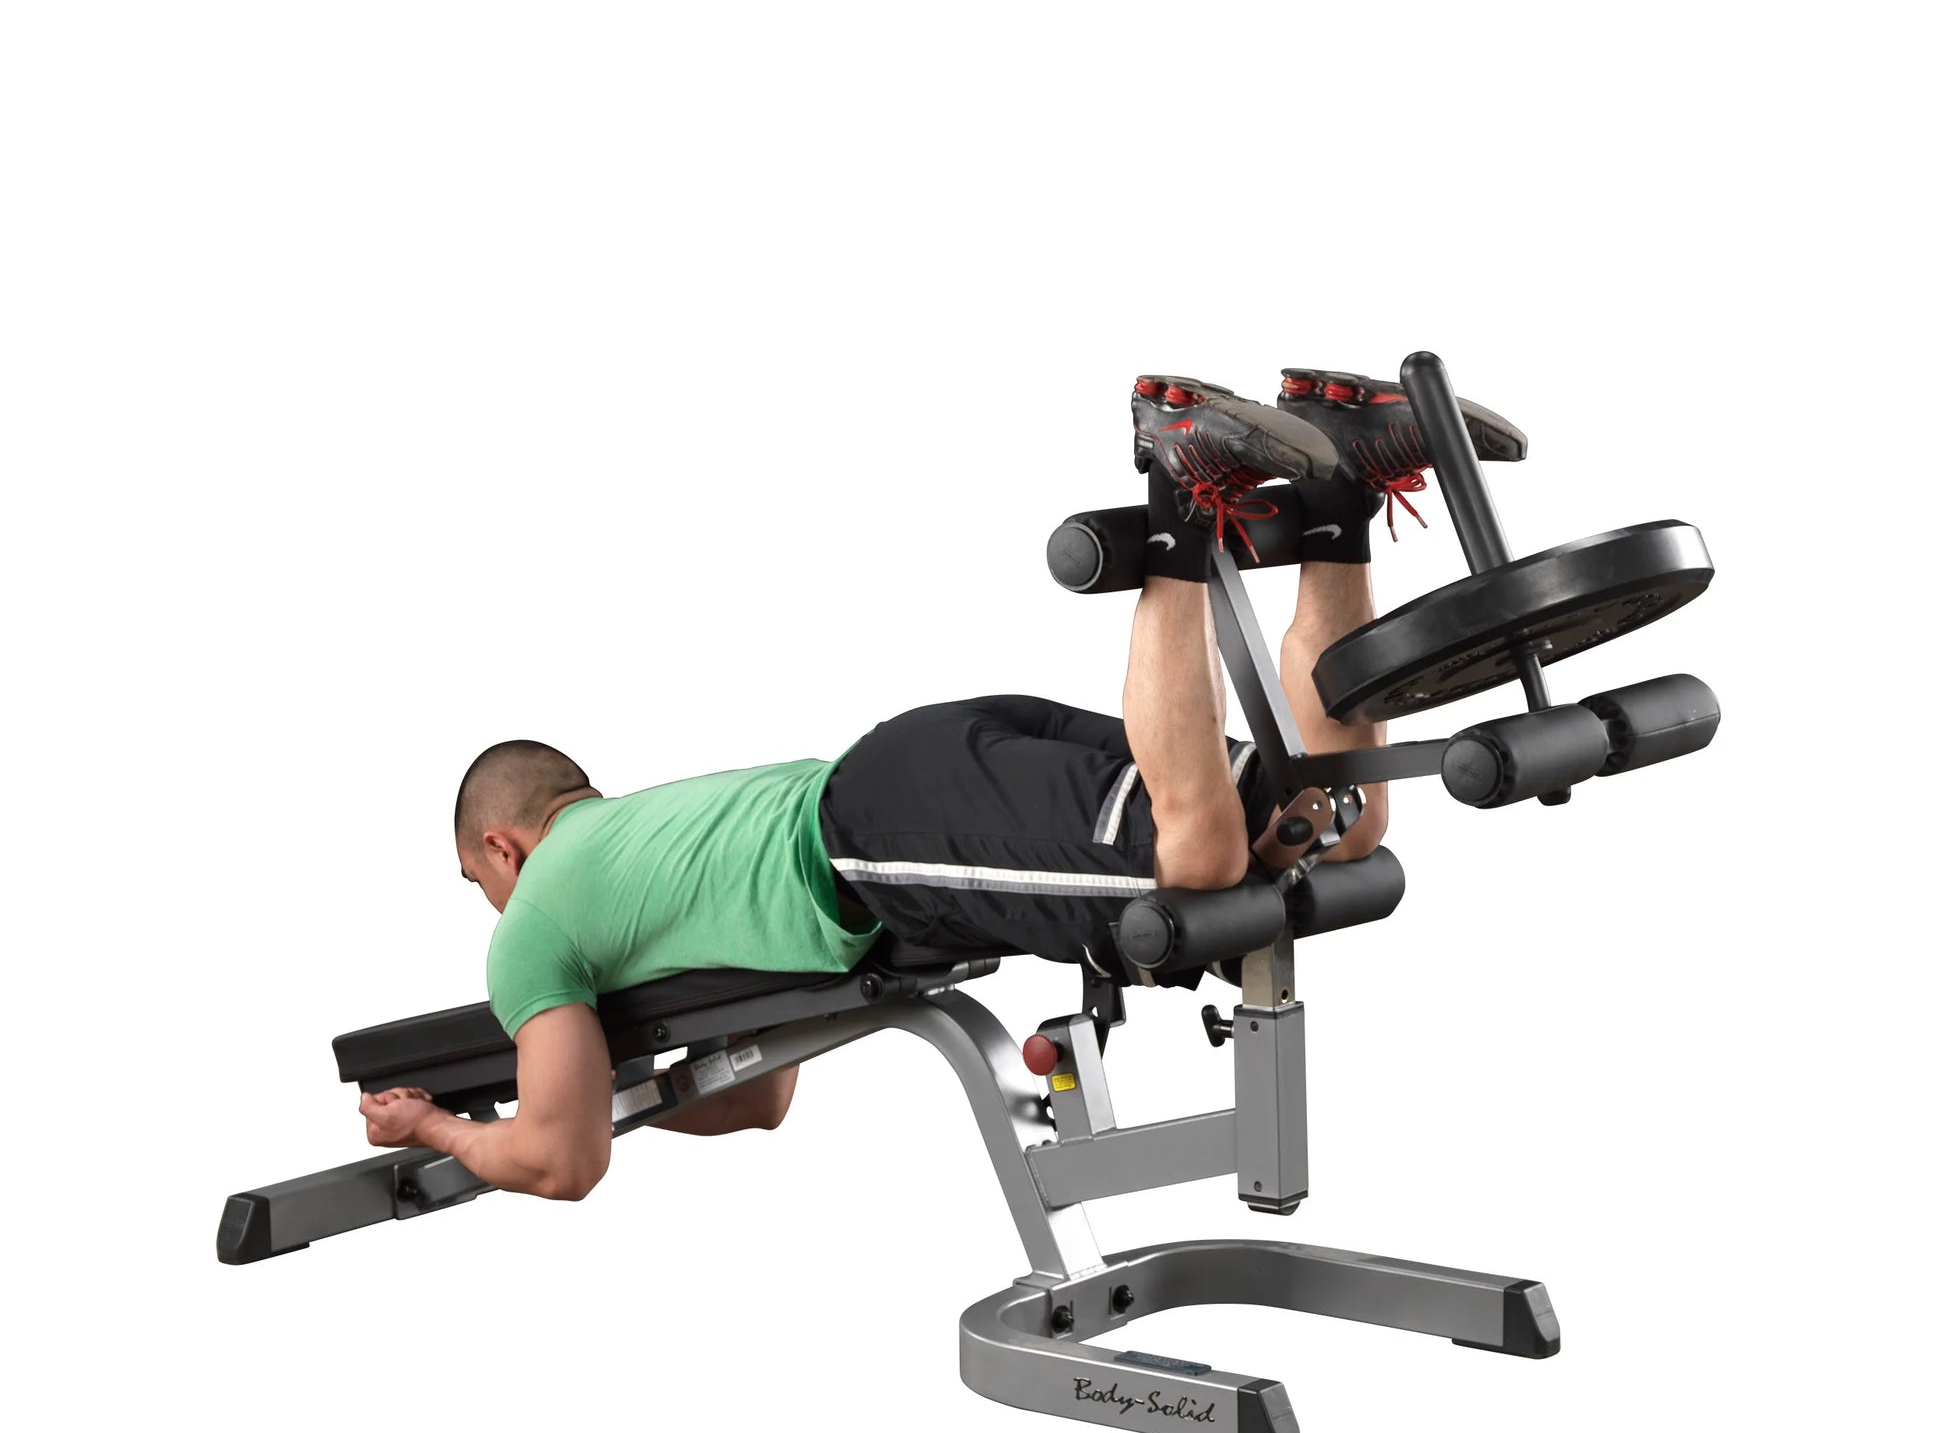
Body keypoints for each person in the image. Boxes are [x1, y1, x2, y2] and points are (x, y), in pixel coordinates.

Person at [358, 373, 1480, 1201]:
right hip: (917, 764)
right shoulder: (634, 844)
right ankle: (1337, 485)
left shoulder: (535, 919)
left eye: (480, 884)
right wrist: (612, 1070)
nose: (495, 911)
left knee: (1190, 859)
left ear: (503, 846)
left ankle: (1176, 482)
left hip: (876, 830)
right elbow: (757, 1094)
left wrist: (441, 1128)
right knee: (1331, 813)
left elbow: (562, 1159)